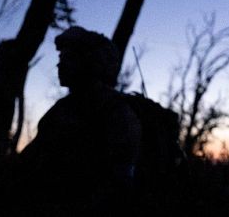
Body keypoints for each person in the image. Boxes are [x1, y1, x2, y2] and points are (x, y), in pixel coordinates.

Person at [17, 27, 142, 215]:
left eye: (69, 58)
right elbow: (29, 163)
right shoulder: (63, 109)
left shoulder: (116, 111)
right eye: (61, 59)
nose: (59, 65)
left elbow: (118, 184)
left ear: (92, 62)